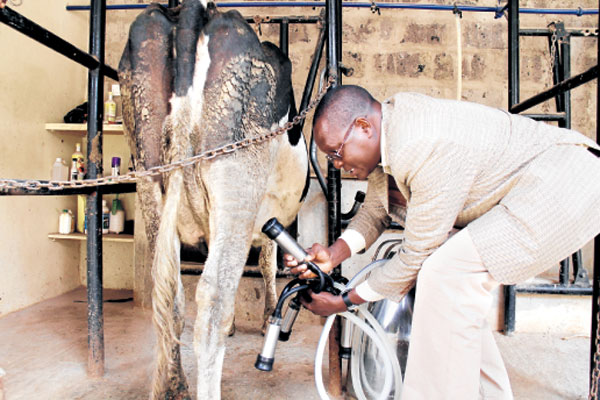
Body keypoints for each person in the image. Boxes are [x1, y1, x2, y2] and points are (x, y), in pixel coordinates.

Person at [284, 85, 600, 399]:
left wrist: (345, 301)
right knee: (455, 293)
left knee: (445, 273)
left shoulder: (422, 144)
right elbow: (376, 209)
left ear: (364, 128)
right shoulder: (393, 129)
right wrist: (333, 254)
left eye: (336, 153)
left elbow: (415, 255)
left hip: (568, 179)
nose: (337, 165)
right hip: (548, 177)